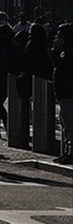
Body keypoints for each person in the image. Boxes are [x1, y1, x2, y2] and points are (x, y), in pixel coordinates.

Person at [50, 23, 73, 165]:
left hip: (68, 93)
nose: (56, 38)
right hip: (64, 93)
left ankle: (71, 152)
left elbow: (63, 70)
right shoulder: (64, 52)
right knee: (65, 122)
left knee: (69, 123)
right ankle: (67, 150)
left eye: (59, 36)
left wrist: (54, 51)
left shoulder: (68, 54)